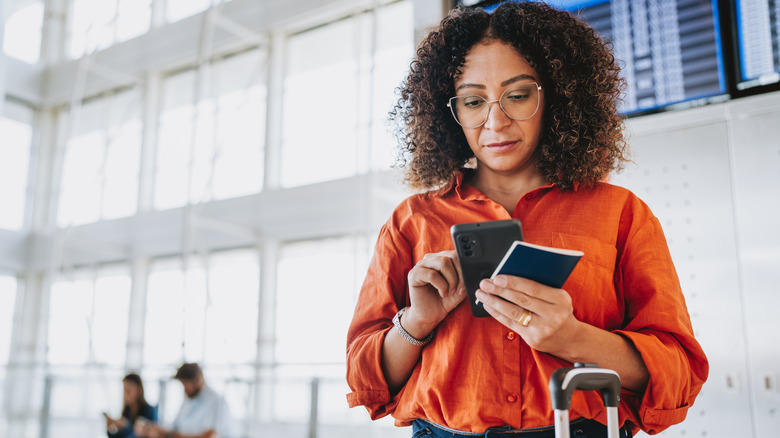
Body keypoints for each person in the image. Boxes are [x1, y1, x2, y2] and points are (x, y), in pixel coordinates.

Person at [346, 2, 709, 437]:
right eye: (473, 101)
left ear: (554, 94)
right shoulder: (411, 220)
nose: (495, 121)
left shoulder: (621, 213)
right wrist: (416, 322)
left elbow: (678, 371)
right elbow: (364, 378)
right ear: (451, 111)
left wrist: (572, 338)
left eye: (517, 95)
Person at [135, 363, 233, 438]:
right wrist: (157, 430)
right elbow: (175, 427)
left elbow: (210, 435)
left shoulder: (217, 402)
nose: (185, 389)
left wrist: (174, 435)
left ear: (198, 380)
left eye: (186, 385)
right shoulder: (188, 400)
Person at [104, 373, 158, 438]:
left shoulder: (150, 411)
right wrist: (110, 428)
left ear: (139, 390)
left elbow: (143, 435)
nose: (125, 394)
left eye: (128, 390)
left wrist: (125, 426)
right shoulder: (127, 411)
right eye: (124, 390)